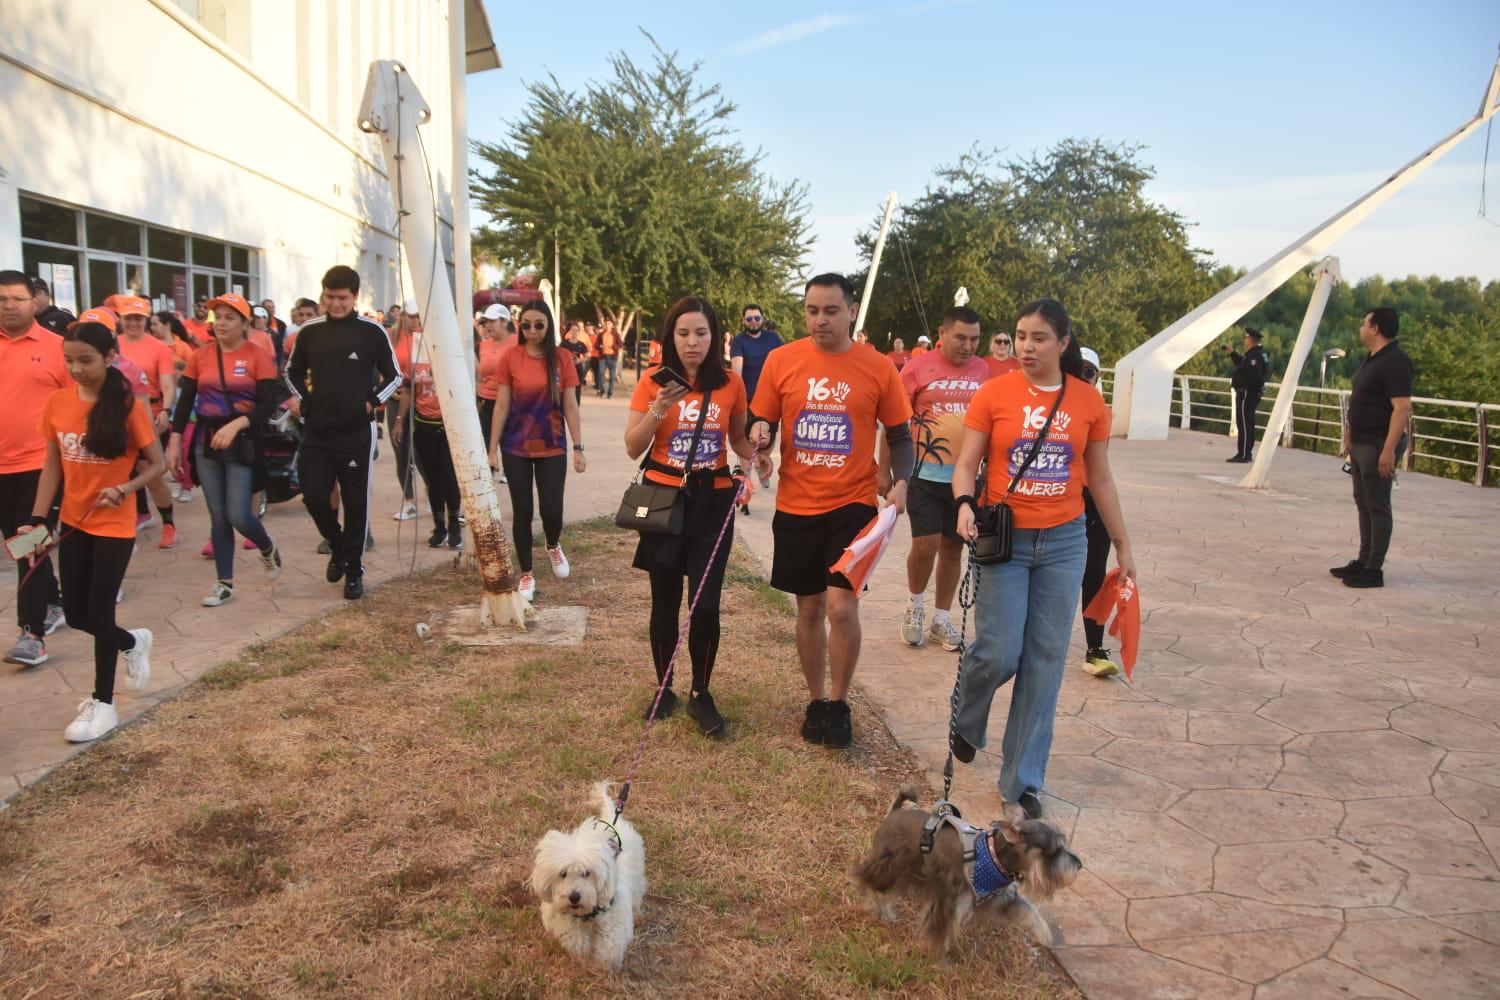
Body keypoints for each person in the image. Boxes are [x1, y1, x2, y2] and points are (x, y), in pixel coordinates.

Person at [948, 298, 1133, 819]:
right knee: (1000, 651)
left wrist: (1122, 543)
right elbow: (967, 465)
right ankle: (966, 718)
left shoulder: (1088, 403)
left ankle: (1022, 779)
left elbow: (1099, 477)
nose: (1027, 347)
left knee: (1045, 662)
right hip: (1004, 541)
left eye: (1039, 338)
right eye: (1021, 336)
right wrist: (964, 503)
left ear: (1063, 343)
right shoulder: (994, 393)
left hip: (1065, 542)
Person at [748, 273, 915, 750]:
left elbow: (901, 437)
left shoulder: (878, 367)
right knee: (808, 608)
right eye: (812, 310)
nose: (820, 320)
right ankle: (816, 700)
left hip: (854, 504)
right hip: (796, 504)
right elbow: (763, 421)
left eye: (831, 310)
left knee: (841, 607)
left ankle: (839, 704)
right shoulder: (782, 361)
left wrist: (900, 483)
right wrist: (762, 439)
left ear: (851, 311)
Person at [20, 318, 162, 741]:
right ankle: (131, 642)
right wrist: (38, 519)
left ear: (110, 358)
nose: (76, 368)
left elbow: (158, 464)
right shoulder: (58, 403)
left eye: (85, 360)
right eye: (69, 361)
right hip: (73, 522)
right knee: (77, 613)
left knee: (99, 611)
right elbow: (51, 466)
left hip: (114, 524)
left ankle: (104, 703)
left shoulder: (128, 407)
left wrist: (125, 488)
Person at [625, 297, 755, 737]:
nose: (692, 342)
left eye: (701, 333)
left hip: (714, 501)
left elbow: (737, 438)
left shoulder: (732, 384)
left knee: (705, 604)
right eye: (683, 334)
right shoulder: (651, 382)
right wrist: (660, 404)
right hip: (664, 501)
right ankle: (664, 689)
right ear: (670, 337)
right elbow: (632, 445)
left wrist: (757, 451)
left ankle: (701, 692)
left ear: (715, 337)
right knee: (664, 601)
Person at [284, 265, 401, 600]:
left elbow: (394, 375)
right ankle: (338, 545)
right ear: (323, 295)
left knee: (355, 502)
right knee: (314, 495)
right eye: (330, 297)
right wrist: (303, 401)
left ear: (354, 297)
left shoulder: (371, 331)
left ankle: (354, 570)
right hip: (317, 431)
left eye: (342, 298)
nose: (335, 304)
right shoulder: (309, 331)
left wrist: (371, 402)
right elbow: (291, 371)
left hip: (355, 434)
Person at [166, 293, 283, 607]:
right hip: (208, 441)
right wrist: (175, 439)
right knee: (218, 516)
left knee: (239, 515)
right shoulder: (200, 356)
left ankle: (266, 545)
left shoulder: (258, 355)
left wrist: (237, 425)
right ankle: (224, 583)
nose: (221, 323)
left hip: (242, 442)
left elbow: (268, 405)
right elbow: (186, 400)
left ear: (245, 323)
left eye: (230, 317)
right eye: (218, 317)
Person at [897, 306, 989, 652]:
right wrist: (887, 472)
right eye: (961, 338)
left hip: (966, 483)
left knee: (953, 549)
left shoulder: (984, 371)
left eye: (975, 339)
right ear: (942, 333)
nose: (968, 346)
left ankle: (941, 618)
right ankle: (914, 606)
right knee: (926, 545)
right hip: (924, 474)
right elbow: (895, 420)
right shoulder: (918, 367)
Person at [486, 300, 585, 602]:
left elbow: (570, 404)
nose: (531, 330)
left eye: (538, 325)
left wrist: (578, 447)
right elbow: (501, 404)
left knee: (552, 511)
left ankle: (553, 544)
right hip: (515, 446)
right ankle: (527, 573)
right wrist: (491, 449)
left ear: (549, 325)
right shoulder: (510, 358)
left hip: (553, 445)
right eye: (526, 324)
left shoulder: (563, 358)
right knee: (523, 511)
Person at [0, 269, 67, 667]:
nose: (9, 305)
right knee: (21, 543)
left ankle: (32, 634)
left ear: (35, 301)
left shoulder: (58, 347)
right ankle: (54, 600)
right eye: (2, 299)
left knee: (28, 546)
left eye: (17, 298)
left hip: (39, 469)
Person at [1331, 307, 1413, 590]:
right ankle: (1363, 560)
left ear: (1375, 328)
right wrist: (1351, 432)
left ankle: (1373, 569)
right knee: (1363, 501)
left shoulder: (1395, 362)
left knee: (1378, 505)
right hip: (1362, 442)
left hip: (1379, 444)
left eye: (1364, 323)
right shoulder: (1374, 359)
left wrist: (1388, 449)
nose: (1361, 328)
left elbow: (1401, 409)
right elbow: (1364, 399)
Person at [115, 296, 180, 547]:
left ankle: (169, 523)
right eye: (128, 318)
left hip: (148, 412)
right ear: (120, 319)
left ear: (146, 320)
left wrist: (166, 409)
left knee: (151, 472)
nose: (133, 323)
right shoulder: (113, 343)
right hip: (115, 415)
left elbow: (167, 383)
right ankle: (138, 514)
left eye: (138, 318)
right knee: (119, 471)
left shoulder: (158, 348)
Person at [393, 322, 464, 549]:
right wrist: (399, 421)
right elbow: (407, 390)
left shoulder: (453, 355)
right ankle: (439, 526)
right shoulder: (417, 355)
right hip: (423, 427)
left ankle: (454, 525)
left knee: (449, 479)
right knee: (432, 481)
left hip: (448, 429)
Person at [1076, 347, 1120, 677]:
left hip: (1091, 498)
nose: (1082, 377)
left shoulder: (1102, 413)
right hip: (1058, 498)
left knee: (1094, 575)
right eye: (1077, 370)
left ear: (1098, 377)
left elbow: (1098, 468)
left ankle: (1095, 648)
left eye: (1089, 372)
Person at [729, 303, 783, 516]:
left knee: (767, 441)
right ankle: (746, 483)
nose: (753, 322)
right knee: (747, 442)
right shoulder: (739, 341)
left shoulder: (772, 339)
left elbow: (783, 361)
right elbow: (737, 368)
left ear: (762, 319)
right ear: (744, 321)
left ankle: (762, 464)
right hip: (748, 400)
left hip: (771, 398)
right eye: (749, 318)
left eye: (757, 318)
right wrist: (738, 395)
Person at [385, 302, 421, 522]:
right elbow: (382, 365)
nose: (415, 321)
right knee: (400, 449)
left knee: (422, 453)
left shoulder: (426, 336)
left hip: (422, 400)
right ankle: (409, 501)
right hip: (396, 400)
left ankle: (439, 498)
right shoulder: (391, 335)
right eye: (411, 317)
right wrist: (390, 389)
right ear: (403, 316)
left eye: (418, 317)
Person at [1224, 327, 1269, 463]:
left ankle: (1243, 454)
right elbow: (1244, 364)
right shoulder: (1257, 354)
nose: (1244, 340)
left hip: (1246, 393)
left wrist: (1253, 389)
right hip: (1249, 393)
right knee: (1247, 422)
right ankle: (1245, 452)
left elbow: (1254, 375)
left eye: (1246, 338)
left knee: (1243, 423)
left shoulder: (1254, 356)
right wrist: (1232, 354)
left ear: (1250, 339)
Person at [476, 303, 513, 446]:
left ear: (505, 321)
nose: (488, 325)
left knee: (509, 449)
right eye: (486, 322)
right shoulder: (484, 344)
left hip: (509, 404)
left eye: (492, 321)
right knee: (484, 451)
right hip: (485, 404)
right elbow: (482, 373)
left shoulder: (518, 343)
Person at [598, 319, 622, 398]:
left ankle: (610, 393)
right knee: (601, 373)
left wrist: (614, 347)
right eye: (606, 323)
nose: (607, 325)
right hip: (603, 357)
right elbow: (596, 345)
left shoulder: (615, 334)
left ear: (612, 325)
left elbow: (620, 345)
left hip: (612, 357)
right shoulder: (601, 334)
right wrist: (600, 346)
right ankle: (601, 392)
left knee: (612, 376)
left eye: (609, 323)